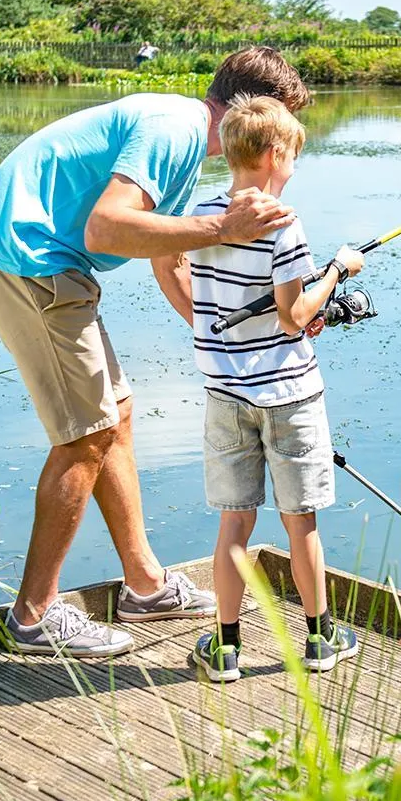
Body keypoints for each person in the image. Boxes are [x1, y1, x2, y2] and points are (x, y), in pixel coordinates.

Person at [0, 47, 312, 658]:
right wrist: (223, 230)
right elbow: (107, 228)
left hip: (42, 263)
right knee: (85, 435)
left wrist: (219, 330)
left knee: (115, 414)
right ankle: (33, 617)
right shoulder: (173, 130)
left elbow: (162, 252)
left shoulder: (180, 141)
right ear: (257, 119)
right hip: (29, 262)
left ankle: (145, 586)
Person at [163, 94, 363, 683]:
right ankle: (321, 640)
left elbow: (180, 265)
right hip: (290, 396)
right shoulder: (284, 222)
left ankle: (225, 649)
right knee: (301, 521)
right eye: (295, 156)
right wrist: (337, 271)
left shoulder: (204, 214)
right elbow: (293, 316)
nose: (295, 167)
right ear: (276, 155)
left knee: (234, 523)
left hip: (225, 394)